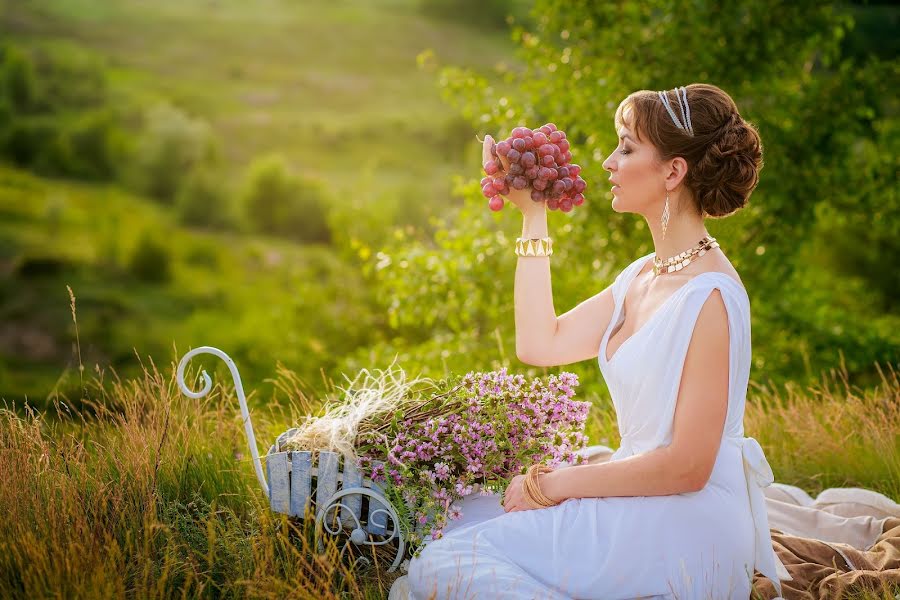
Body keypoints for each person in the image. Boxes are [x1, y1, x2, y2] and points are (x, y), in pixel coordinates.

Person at [405, 83, 794, 599]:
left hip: (687, 526)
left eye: (627, 147)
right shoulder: (641, 276)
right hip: (642, 494)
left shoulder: (712, 298)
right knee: (454, 519)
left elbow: (688, 466)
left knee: (446, 563)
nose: (609, 162)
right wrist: (532, 215)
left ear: (673, 172)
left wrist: (554, 484)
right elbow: (539, 344)